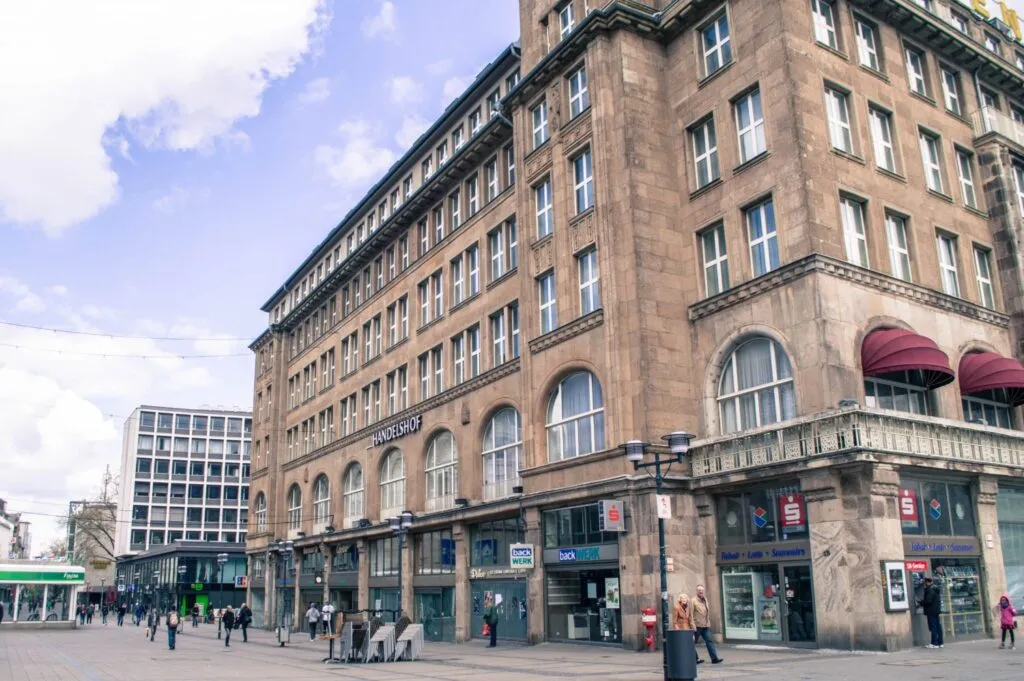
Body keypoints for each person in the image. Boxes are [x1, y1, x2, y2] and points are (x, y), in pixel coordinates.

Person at [691, 585, 724, 664]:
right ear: (696, 591)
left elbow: (706, 613)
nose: (701, 591)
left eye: (702, 590)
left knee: (709, 641)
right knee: (692, 643)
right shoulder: (693, 601)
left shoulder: (705, 599)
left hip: (706, 626)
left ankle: (714, 658)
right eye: (699, 590)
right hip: (697, 625)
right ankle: (695, 659)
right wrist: (693, 625)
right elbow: (690, 614)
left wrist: (708, 623)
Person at [919, 576, 943, 648]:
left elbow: (928, 601)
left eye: (925, 583)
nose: (924, 584)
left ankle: (934, 643)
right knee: (937, 626)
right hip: (936, 610)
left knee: (933, 627)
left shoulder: (930, 590)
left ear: (927, 582)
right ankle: (940, 643)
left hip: (931, 611)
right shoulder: (935, 589)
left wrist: (921, 602)